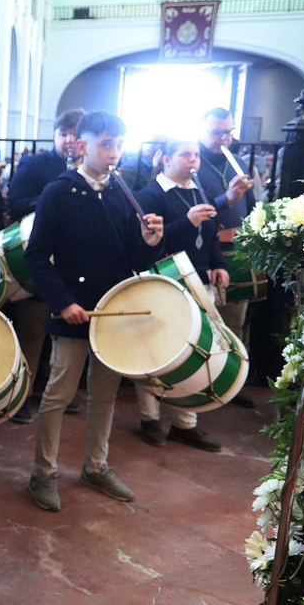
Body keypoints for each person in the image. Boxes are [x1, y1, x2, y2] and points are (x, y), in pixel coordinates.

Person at [24, 110, 164, 512]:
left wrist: (149, 239)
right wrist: (63, 301)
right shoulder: (59, 191)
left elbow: (131, 258)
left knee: (103, 394)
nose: (114, 152)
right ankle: (43, 474)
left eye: (119, 144)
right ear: (82, 146)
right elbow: (36, 257)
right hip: (71, 311)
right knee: (59, 393)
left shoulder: (122, 190)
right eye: (106, 144)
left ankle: (96, 467)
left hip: (113, 310)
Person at [134, 139, 227, 451]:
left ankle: (185, 423)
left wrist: (217, 263)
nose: (194, 160)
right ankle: (150, 419)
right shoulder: (150, 195)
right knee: (158, 351)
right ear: (166, 159)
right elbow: (151, 243)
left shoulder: (198, 189)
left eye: (197, 155)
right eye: (186, 154)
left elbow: (211, 233)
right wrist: (187, 222)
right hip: (164, 279)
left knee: (199, 351)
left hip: (199, 278)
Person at [4, 109, 85, 425]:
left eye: (75, 136)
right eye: (64, 134)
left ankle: (53, 390)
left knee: (60, 334)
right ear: (55, 134)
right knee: (33, 331)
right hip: (38, 255)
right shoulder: (35, 165)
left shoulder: (92, 171)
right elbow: (16, 204)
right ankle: (19, 396)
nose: (69, 141)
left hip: (72, 258)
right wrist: (54, 199)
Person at [195, 107, 257, 410]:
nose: (224, 138)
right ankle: (201, 382)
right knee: (204, 318)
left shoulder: (238, 161)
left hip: (236, 249)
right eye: (217, 132)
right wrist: (226, 200)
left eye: (229, 132)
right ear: (201, 130)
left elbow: (251, 206)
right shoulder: (193, 161)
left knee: (235, 318)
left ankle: (231, 381)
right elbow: (189, 205)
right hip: (206, 250)